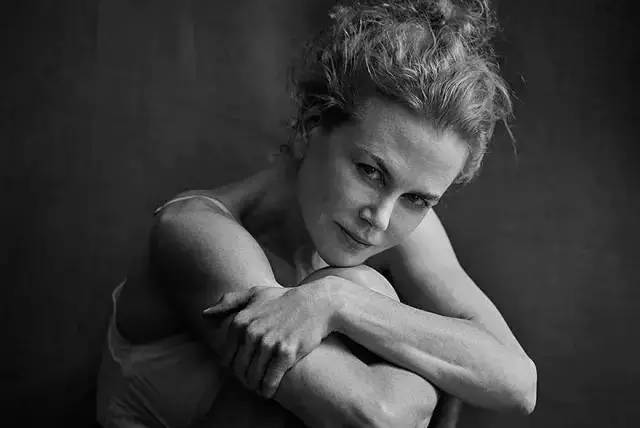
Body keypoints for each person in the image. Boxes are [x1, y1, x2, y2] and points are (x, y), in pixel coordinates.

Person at [96, 0, 537, 426]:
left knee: (359, 287)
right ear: (311, 127)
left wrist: (337, 301)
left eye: (418, 199)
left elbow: (519, 385)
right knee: (369, 289)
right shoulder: (195, 234)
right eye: (370, 171)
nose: (381, 218)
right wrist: (444, 368)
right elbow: (375, 416)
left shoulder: (391, 222)